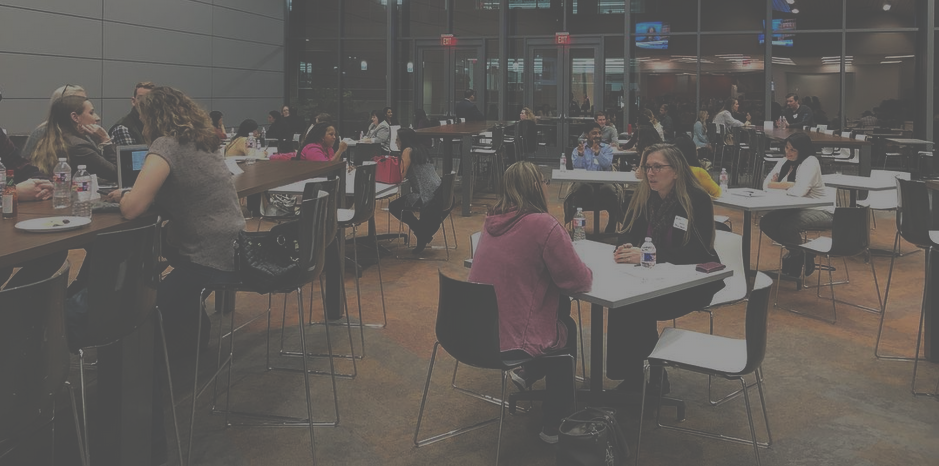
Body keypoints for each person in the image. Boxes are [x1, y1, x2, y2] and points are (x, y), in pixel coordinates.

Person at [468, 161, 592, 443]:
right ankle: (554, 424)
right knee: (566, 329)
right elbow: (579, 281)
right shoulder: (542, 224)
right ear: (537, 187)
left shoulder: (492, 222)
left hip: (475, 331)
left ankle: (530, 370)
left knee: (558, 308)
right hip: (510, 338)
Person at [607, 143, 723, 393]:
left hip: (691, 283)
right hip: (651, 279)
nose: (650, 173)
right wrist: (625, 248)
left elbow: (698, 252)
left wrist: (649, 255)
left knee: (635, 306)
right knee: (619, 302)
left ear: (677, 171)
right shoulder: (644, 196)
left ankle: (652, 378)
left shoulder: (696, 200)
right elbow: (626, 233)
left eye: (657, 167)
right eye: (647, 167)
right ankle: (633, 378)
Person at [760, 132, 832, 277]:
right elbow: (765, 185)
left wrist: (777, 184)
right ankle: (803, 254)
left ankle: (797, 256)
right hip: (796, 208)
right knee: (767, 222)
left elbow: (798, 192)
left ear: (802, 150)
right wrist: (788, 184)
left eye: (793, 150)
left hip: (820, 209)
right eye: (786, 148)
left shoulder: (810, 162)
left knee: (788, 227)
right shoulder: (784, 161)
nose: (788, 152)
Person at [30, 95, 117, 181]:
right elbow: (117, 174)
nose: (97, 118)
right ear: (75, 117)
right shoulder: (78, 146)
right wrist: (105, 140)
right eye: (91, 113)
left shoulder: (48, 139)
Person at [388, 128, 442, 254]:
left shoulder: (407, 151)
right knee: (401, 203)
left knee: (394, 206)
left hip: (425, 195)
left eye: (398, 140)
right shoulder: (421, 149)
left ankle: (421, 232)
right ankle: (423, 233)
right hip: (438, 192)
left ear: (404, 141)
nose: (396, 142)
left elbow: (400, 176)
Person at [563, 121, 624, 234]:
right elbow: (576, 167)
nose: (598, 136)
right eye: (594, 133)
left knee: (611, 191)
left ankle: (611, 226)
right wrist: (580, 155)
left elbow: (606, 164)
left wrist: (598, 153)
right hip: (584, 183)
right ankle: (577, 227)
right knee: (580, 190)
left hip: (604, 183)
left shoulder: (607, 148)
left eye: (599, 133)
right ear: (587, 135)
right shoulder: (578, 149)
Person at [22, 84, 90, 161]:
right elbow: (25, 162)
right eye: (80, 101)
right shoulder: (42, 131)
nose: (86, 104)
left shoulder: (83, 132)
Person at [108, 81, 155, 146]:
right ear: (133, 101)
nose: (144, 103)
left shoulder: (157, 125)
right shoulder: (123, 128)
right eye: (141, 98)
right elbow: (130, 156)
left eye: (149, 99)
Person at [272, 122, 347, 162]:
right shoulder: (313, 150)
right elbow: (326, 169)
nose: (334, 137)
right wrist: (340, 150)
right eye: (331, 134)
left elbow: (333, 163)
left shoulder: (328, 149)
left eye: (335, 134)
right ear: (321, 136)